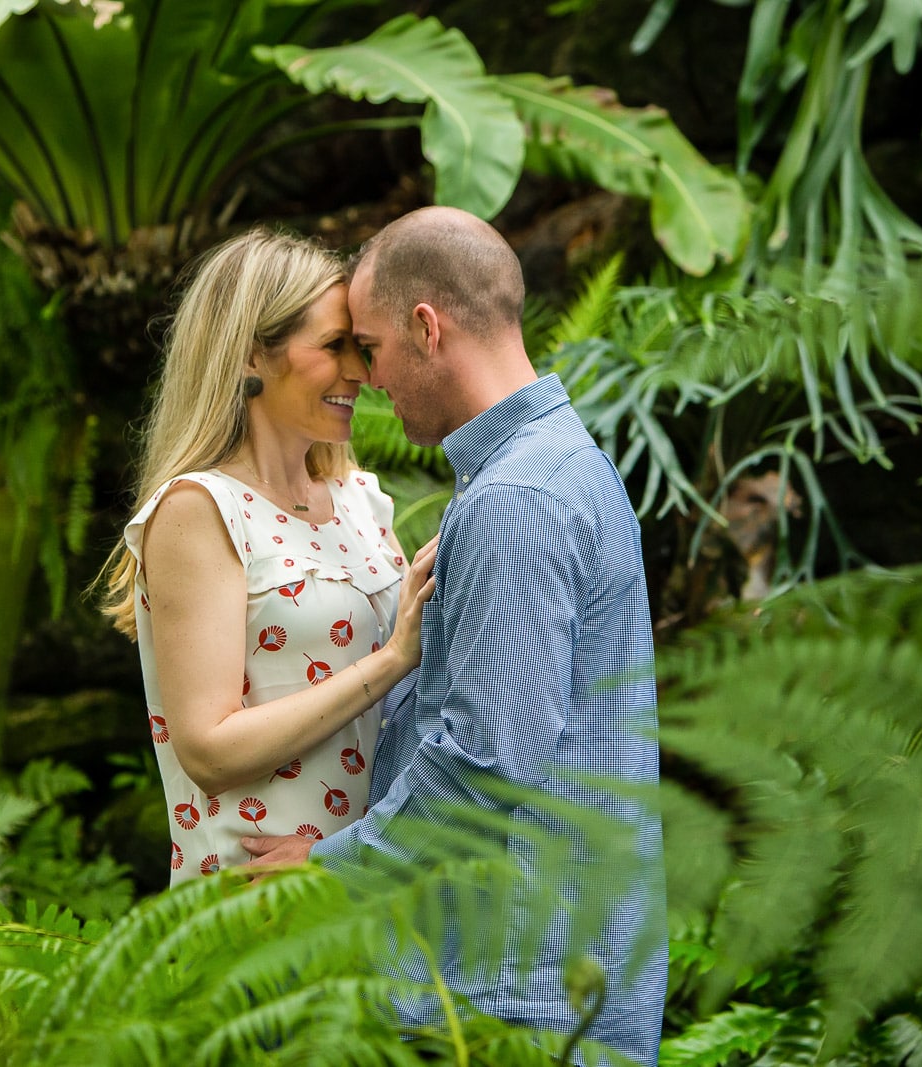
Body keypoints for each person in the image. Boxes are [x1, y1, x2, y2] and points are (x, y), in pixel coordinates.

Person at [241, 207, 668, 1065]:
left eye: (371, 346)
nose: (365, 376)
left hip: (513, 1000)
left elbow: (487, 761)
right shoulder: (560, 463)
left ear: (426, 329)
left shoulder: (518, 498)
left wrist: (326, 871)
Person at [102, 227, 436, 884]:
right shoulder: (200, 509)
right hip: (251, 901)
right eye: (334, 346)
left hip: (362, 888)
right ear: (254, 353)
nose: (360, 372)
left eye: (360, 347)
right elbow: (209, 747)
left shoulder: (360, 500)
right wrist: (393, 658)